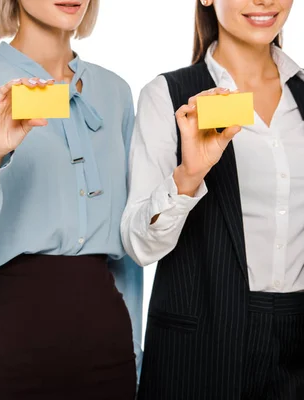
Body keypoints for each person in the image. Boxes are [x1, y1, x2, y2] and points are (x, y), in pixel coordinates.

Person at [0, 0, 143, 399]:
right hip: (8, 341)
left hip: (107, 345)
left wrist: (135, 349)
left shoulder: (115, 92)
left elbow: (128, 252)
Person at [122, 0, 304, 398]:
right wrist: (189, 175)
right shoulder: (167, 95)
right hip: (201, 346)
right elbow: (138, 245)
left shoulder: (301, 97)